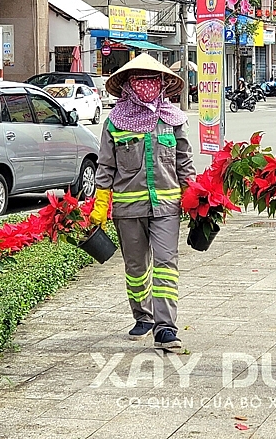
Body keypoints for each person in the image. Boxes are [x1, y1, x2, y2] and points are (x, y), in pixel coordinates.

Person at [88, 54, 196, 351]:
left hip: (166, 207)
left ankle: (165, 328)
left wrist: (197, 196)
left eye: (152, 79)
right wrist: (100, 202)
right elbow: (106, 167)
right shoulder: (114, 122)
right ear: (127, 84)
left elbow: (184, 163)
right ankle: (143, 315)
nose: (146, 85)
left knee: (165, 265)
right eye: (139, 79)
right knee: (136, 268)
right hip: (128, 208)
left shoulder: (173, 119)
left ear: (162, 83)